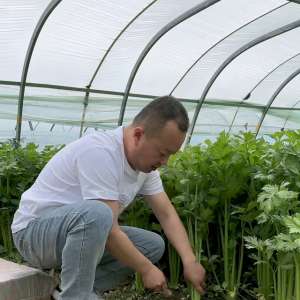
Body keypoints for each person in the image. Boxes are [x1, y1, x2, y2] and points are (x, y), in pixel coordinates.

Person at [11, 96, 206, 300]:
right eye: (162, 153)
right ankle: (76, 296)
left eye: (170, 155)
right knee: (98, 213)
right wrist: (147, 269)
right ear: (138, 135)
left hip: (74, 235)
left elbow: (166, 214)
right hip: (33, 235)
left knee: (153, 244)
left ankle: (68, 291)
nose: (165, 162)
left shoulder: (146, 169)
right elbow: (110, 231)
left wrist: (190, 260)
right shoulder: (101, 151)